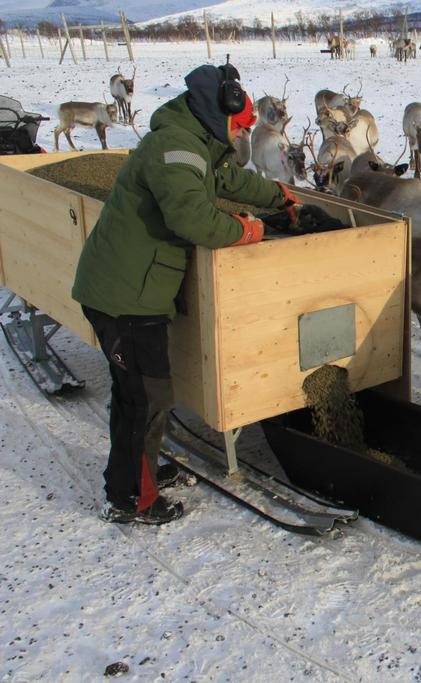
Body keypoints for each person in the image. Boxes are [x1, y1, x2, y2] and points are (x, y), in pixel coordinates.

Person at [71, 63, 302, 525]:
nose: (242, 136)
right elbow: (193, 219)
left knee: (140, 394)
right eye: (239, 128)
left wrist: (279, 196)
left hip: (135, 286)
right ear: (219, 115)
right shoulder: (176, 147)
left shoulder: (193, 141)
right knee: (146, 397)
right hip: (125, 295)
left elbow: (227, 181)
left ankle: (142, 473)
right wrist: (251, 230)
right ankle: (131, 499)